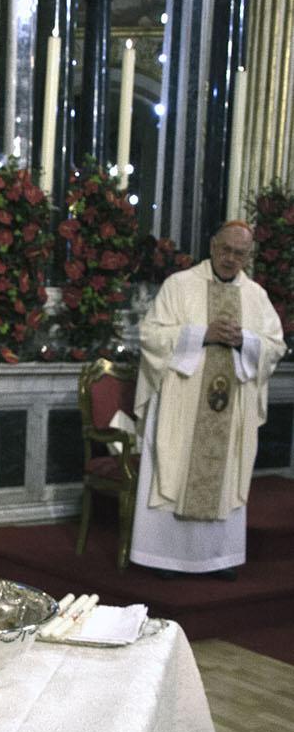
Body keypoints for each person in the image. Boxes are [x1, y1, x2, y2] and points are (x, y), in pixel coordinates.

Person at [130, 220, 285, 579]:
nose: (231, 259)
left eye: (240, 253)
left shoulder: (255, 296)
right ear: (213, 245)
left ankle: (216, 557)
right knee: (175, 462)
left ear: (249, 255)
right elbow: (151, 335)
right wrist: (200, 335)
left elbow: (275, 345)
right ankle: (163, 556)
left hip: (231, 403)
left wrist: (245, 340)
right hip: (181, 401)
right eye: (226, 250)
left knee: (225, 469)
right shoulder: (180, 285)